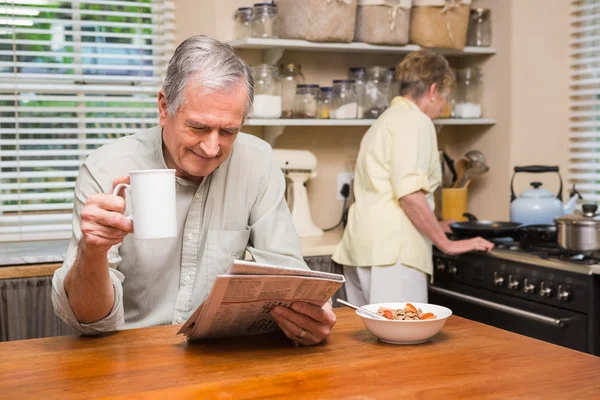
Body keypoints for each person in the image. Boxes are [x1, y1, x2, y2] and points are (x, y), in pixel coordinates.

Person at [51, 35, 336, 346]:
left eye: (228, 131)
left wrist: (310, 316)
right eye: (198, 127)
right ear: (164, 108)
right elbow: (89, 321)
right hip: (126, 355)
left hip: (219, 356)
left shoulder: (258, 162)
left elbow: (289, 273)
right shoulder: (106, 168)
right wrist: (92, 253)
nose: (212, 148)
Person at [332, 50, 494, 305]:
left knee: (369, 340)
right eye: (444, 98)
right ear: (432, 90)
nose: (443, 107)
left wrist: (434, 225)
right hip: (394, 256)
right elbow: (408, 194)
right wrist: (447, 244)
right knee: (403, 340)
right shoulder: (416, 121)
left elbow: (385, 190)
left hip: (362, 249)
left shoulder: (385, 121)